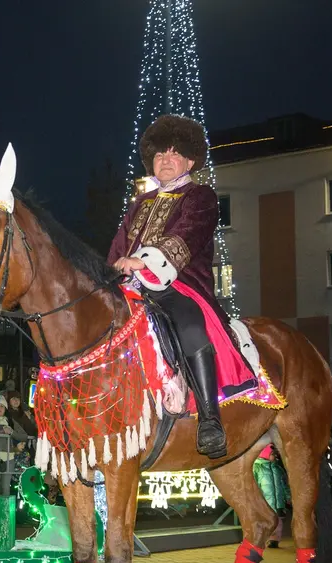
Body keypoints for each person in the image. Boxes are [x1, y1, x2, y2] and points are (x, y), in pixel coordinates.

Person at [107, 114, 256, 460]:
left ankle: (209, 419)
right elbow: (116, 249)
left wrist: (143, 262)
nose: (166, 161)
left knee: (189, 323)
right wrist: (110, 271)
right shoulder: (138, 205)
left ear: (189, 160)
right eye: (159, 155)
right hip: (131, 288)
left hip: (181, 285)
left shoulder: (200, 197)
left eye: (174, 154)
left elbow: (186, 236)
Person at [252, 445, 290, 548]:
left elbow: (284, 484)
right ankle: (261, 539)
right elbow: (253, 484)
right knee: (265, 521)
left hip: (278, 501)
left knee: (278, 520)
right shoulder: (257, 467)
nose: (276, 456)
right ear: (265, 454)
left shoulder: (278, 468)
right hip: (265, 501)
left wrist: (288, 497)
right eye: (273, 454)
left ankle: (274, 540)